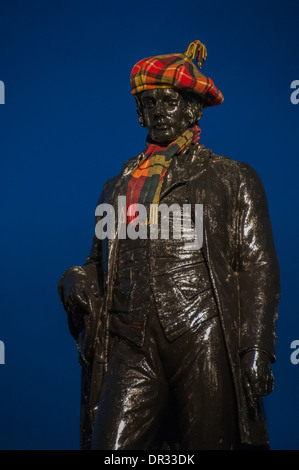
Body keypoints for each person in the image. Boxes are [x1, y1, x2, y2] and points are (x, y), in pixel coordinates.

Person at [58, 40, 280, 450]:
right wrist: (75, 280)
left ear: (191, 109)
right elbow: (97, 262)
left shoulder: (232, 179)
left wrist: (256, 348)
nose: (159, 111)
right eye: (150, 104)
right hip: (129, 340)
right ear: (141, 113)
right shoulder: (117, 187)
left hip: (201, 334)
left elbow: (257, 266)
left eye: (169, 101)